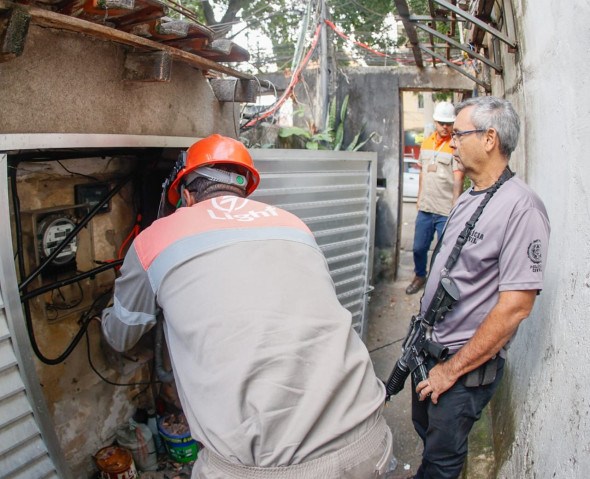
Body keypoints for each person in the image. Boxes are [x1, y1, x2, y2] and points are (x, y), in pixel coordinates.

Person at [101, 134, 393, 479]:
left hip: (267, 468)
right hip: (369, 437)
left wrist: (108, 306)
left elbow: (119, 335)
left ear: (187, 194)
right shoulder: (293, 224)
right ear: (244, 190)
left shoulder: (153, 239)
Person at [411, 97, 550, 478]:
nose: (451, 142)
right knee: (429, 439)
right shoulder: (470, 196)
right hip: (430, 353)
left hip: (460, 370)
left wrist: (450, 371)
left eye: (459, 134)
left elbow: (516, 308)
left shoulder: (523, 208)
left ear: (489, 138)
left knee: (442, 461)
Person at [406, 102, 465, 295]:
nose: (445, 127)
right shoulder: (427, 142)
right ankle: (420, 276)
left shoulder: (455, 145)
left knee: (444, 253)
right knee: (418, 248)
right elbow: (423, 173)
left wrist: (455, 203)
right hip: (426, 207)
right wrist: (419, 197)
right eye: (441, 123)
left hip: (445, 210)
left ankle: (439, 285)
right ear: (435, 122)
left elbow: (458, 177)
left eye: (449, 123)